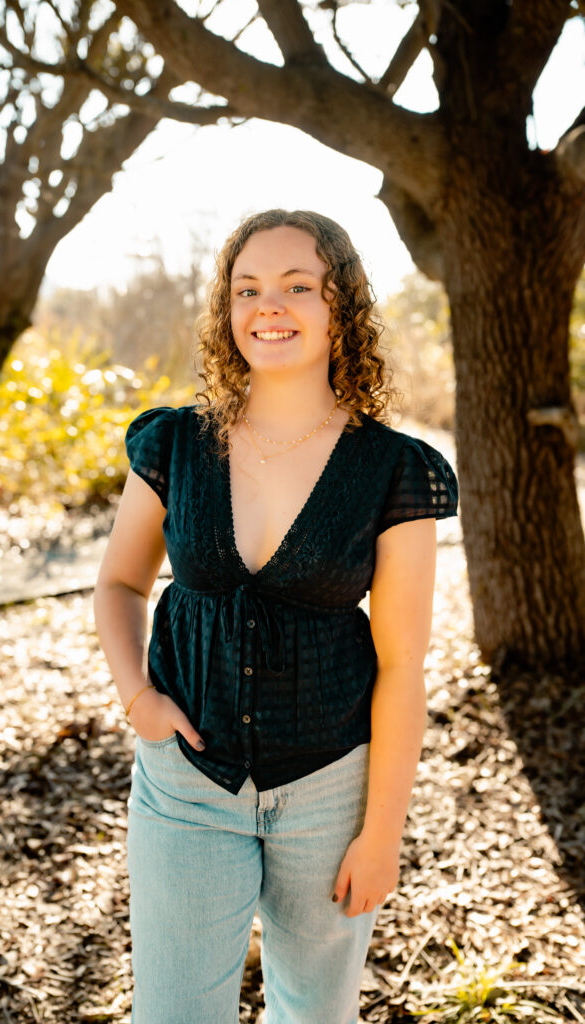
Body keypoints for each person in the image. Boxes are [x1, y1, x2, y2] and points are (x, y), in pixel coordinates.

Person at [93, 208, 459, 1024]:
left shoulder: (393, 470)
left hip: (330, 790)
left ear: (341, 307)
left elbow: (403, 665)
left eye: (298, 286)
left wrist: (381, 833)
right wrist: (137, 700)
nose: (270, 306)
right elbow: (118, 584)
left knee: (315, 1016)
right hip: (185, 783)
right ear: (227, 312)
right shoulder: (175, 444)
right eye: (248, 288)